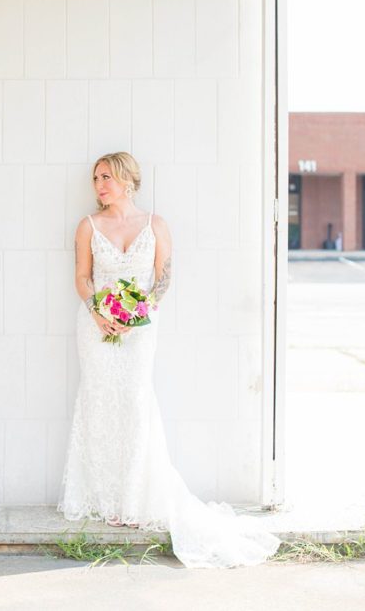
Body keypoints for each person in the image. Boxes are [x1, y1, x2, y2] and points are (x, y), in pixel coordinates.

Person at [59, 151, 280, 568]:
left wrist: (136, 313)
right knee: (100, 400)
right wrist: (98, 312)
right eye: (95, 178)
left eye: (106, 176)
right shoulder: (87, 227)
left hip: (141, 328)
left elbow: (163, 280)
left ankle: (134, 496)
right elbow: (82, 277)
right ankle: (104, 497)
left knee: (135, 400)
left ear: (127, 180)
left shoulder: (156, 225)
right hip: (95, 325)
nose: (99, 185)